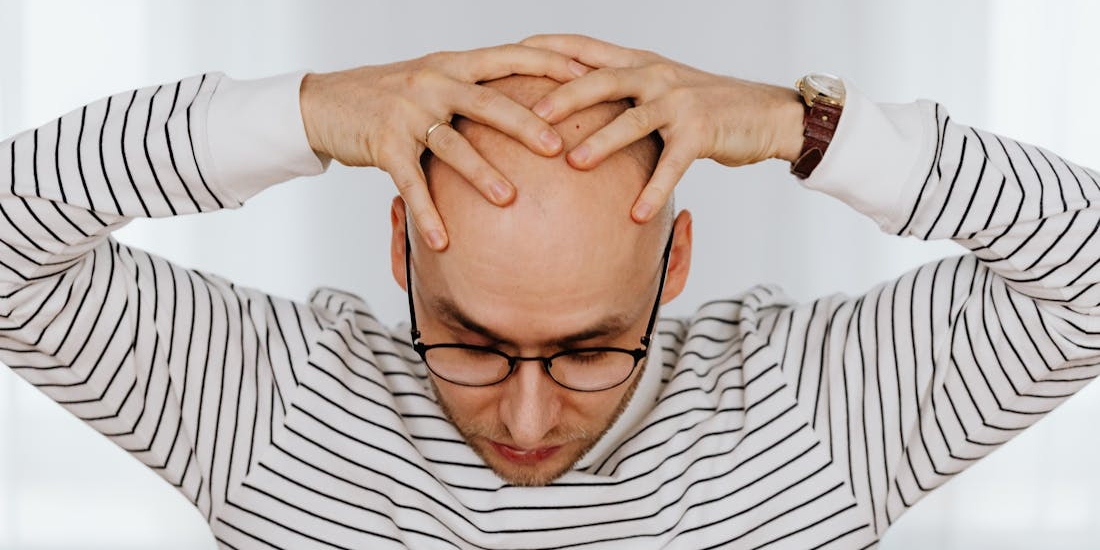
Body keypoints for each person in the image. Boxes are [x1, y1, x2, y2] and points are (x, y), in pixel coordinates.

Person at [1, 33, 1097, 549]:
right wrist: (300, 112)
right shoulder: (275, 404)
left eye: (589, 350)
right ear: (401, 250)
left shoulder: (809, 409)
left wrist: (801, 124)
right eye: (470, 343)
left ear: (674, 265)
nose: (525, 421)